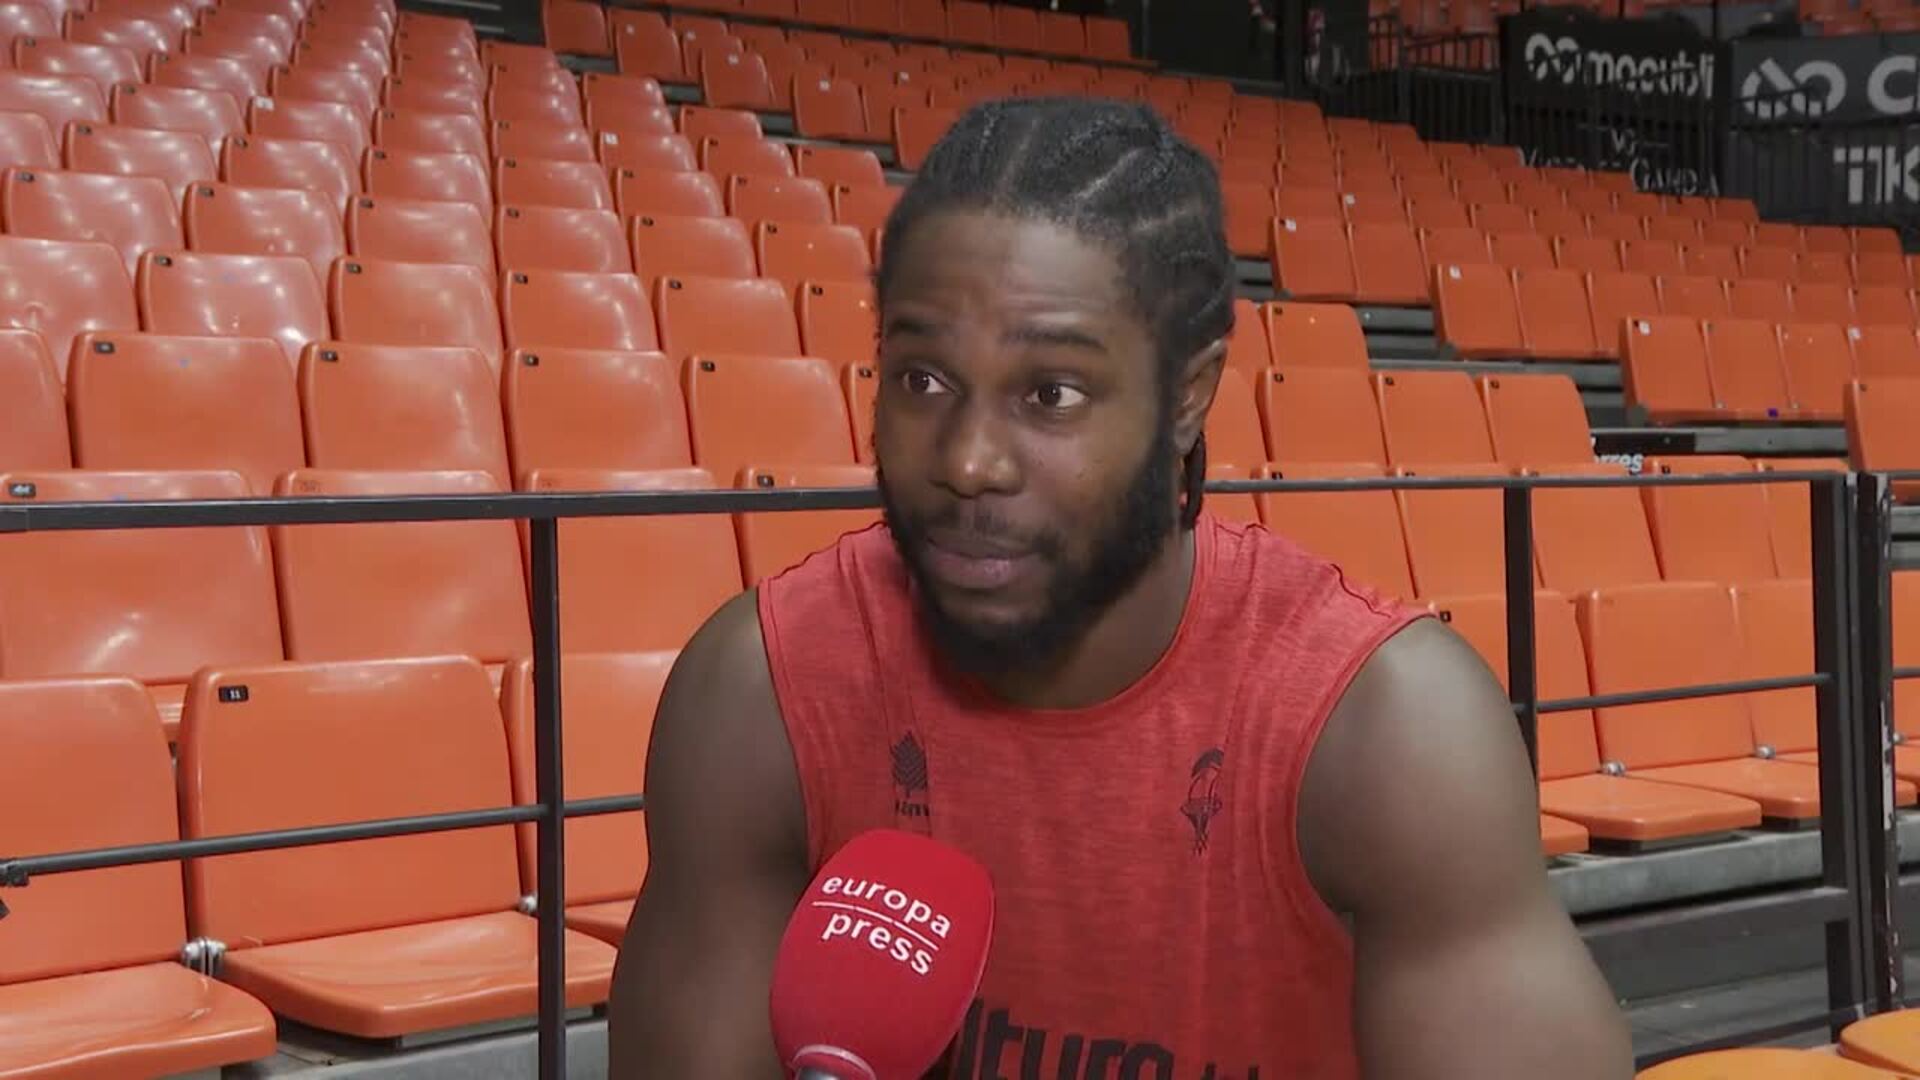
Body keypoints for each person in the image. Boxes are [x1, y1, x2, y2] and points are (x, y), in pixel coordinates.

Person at [608, 97, 1633, 1079]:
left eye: (1050, 393)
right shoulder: (760, 696)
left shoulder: (1389, 730)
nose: (967, 460)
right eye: (923, 380)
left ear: (1186, 396)